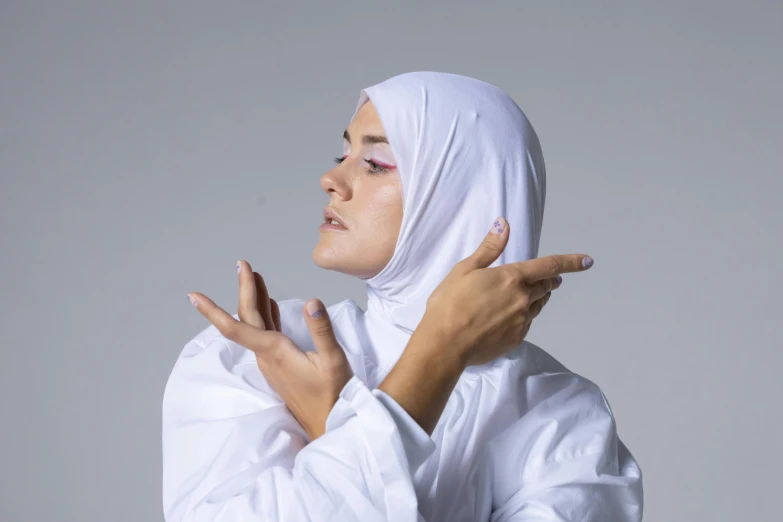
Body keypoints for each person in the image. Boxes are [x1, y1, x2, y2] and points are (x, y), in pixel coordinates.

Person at [162, 71, 643, 521]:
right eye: (342, 155)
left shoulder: (560, 413)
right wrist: (436, 358)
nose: (331, 179)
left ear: (461, 197)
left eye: (376, 163)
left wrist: (334, 430)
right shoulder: (260, 352)